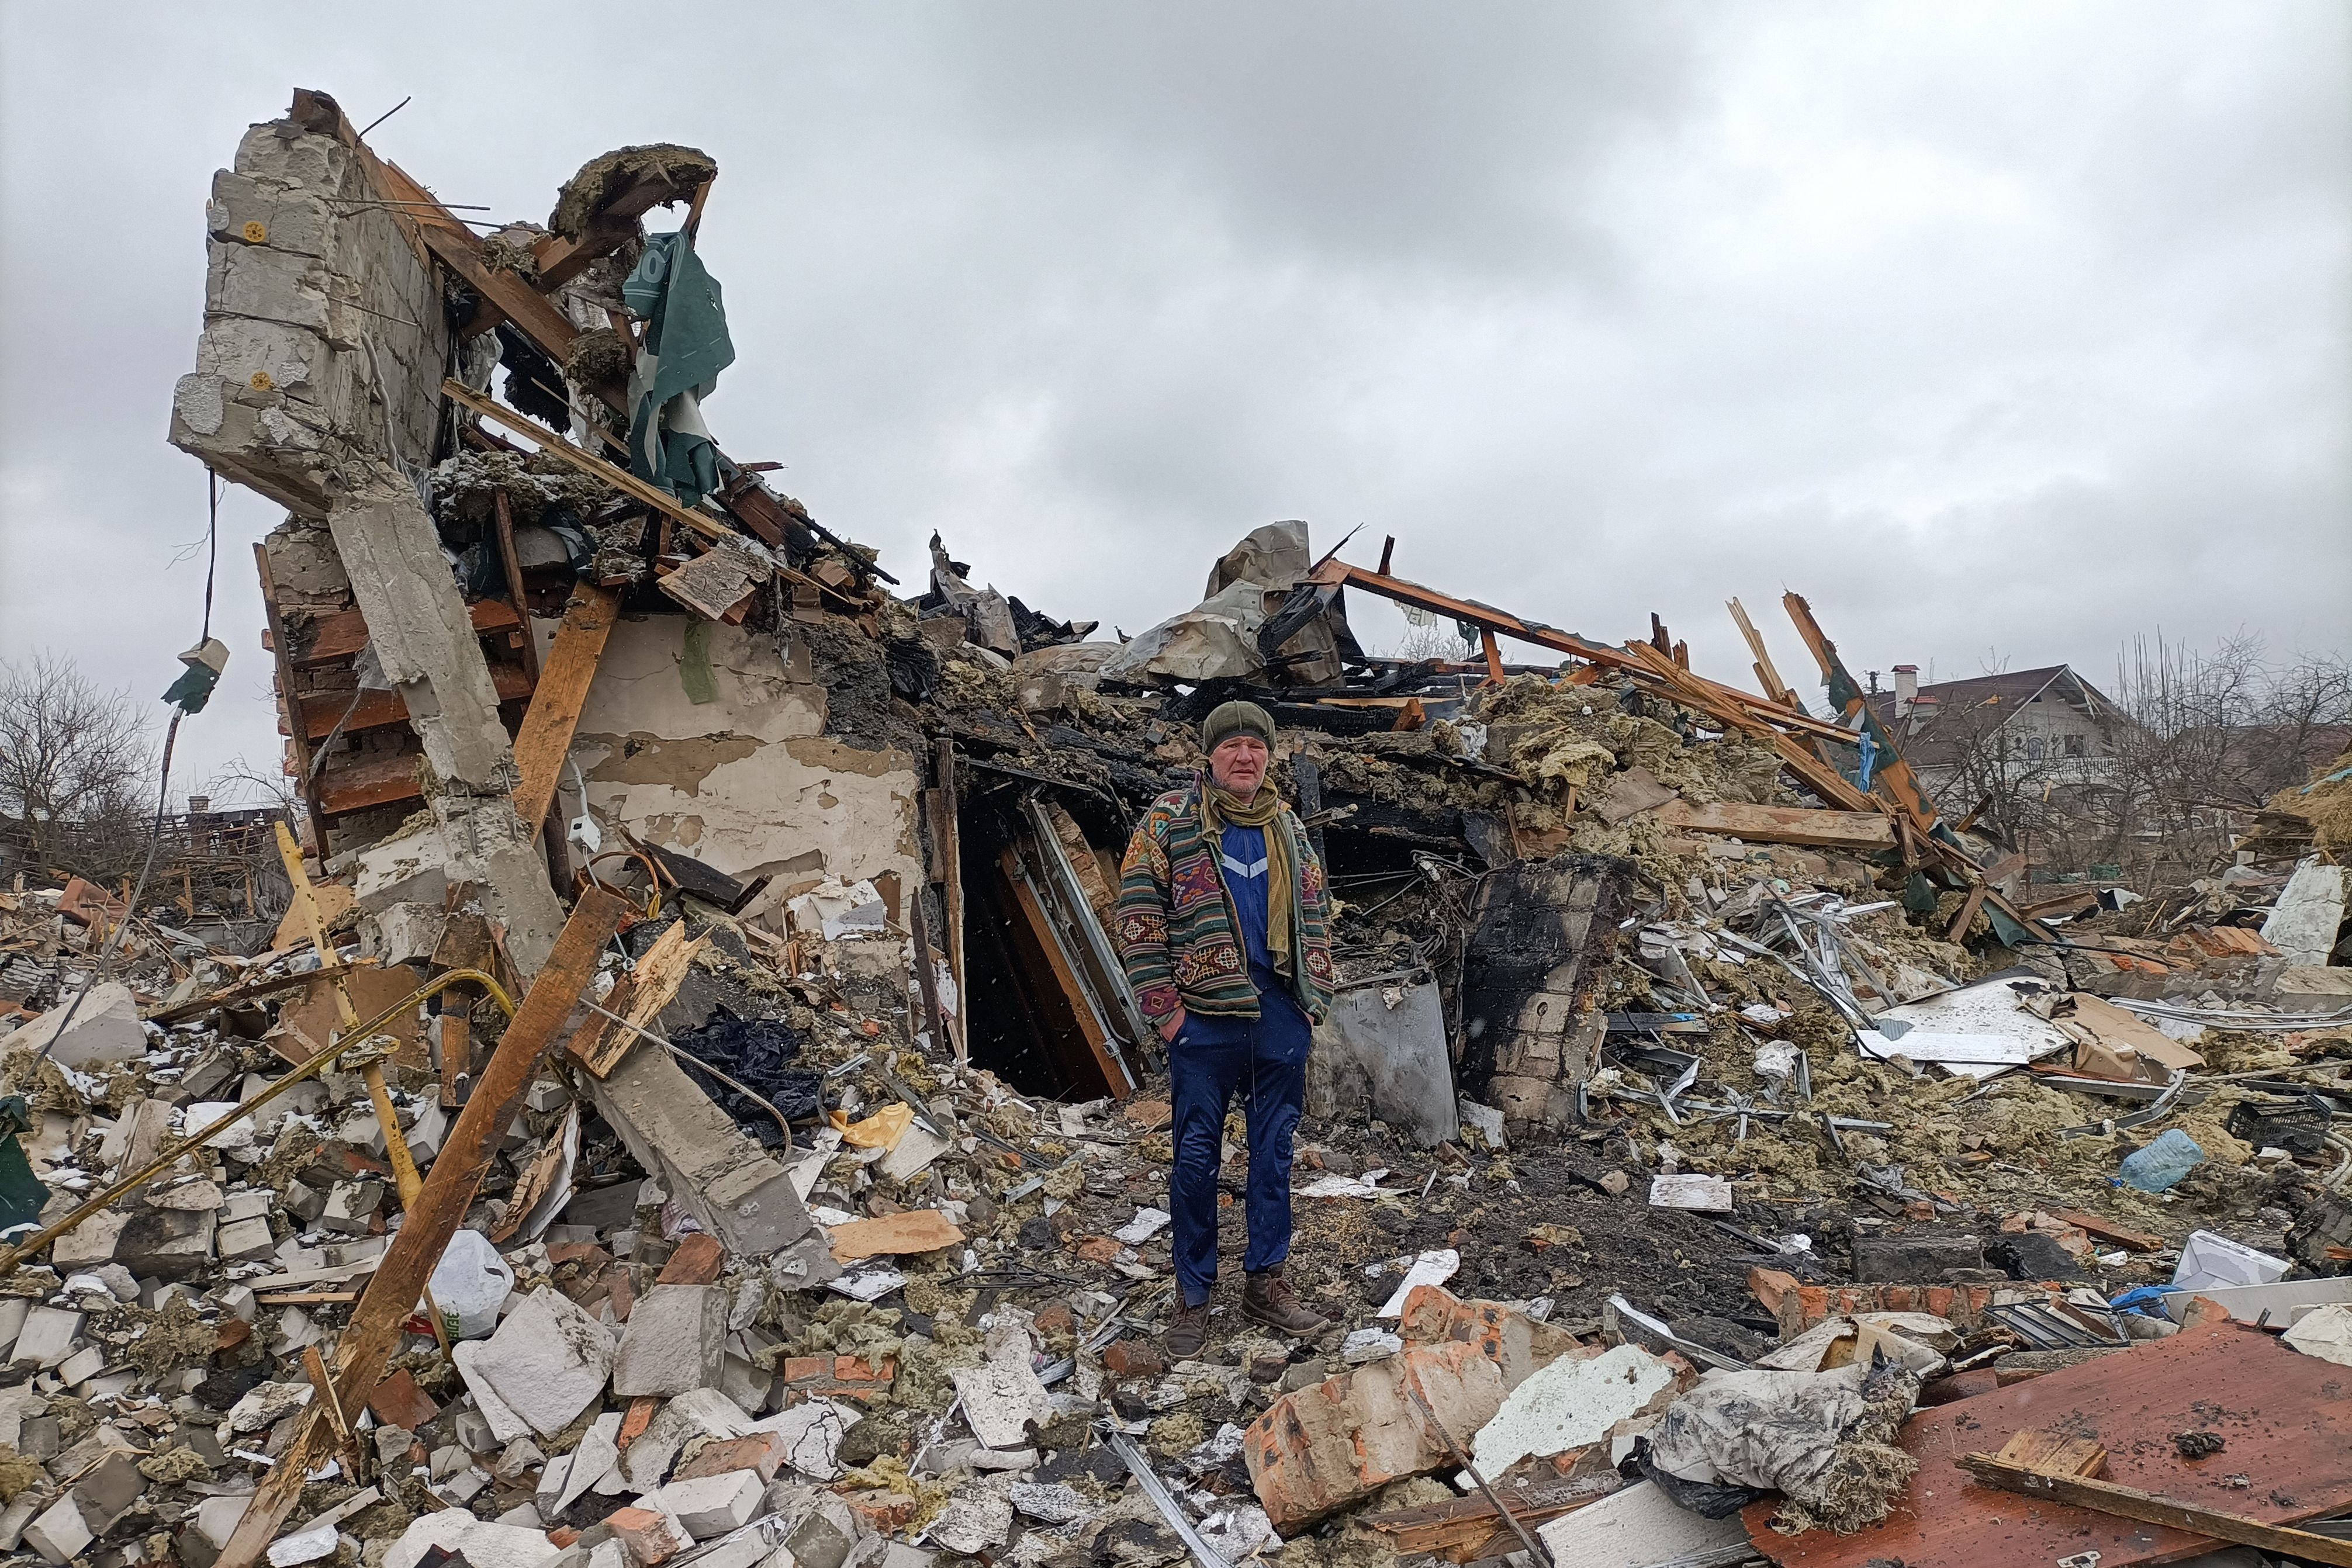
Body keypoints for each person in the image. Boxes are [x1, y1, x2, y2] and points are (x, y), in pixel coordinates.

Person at [1115, 700, 1337, 1357]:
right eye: (1232, 745)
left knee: (1272, 1156)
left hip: (1277, 1017)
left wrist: (1311, 1000)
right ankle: (1193, 1293)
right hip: (1201, 1022)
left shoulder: (1289, 828)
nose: (1245, 756)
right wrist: (1167, 1013)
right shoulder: (1167, 821)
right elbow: (1137, 915)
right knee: (1193, 1160)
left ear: (1270, 755)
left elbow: (1318, 911)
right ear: (1209, 755)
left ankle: (1265, 1282)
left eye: (1256, 746)